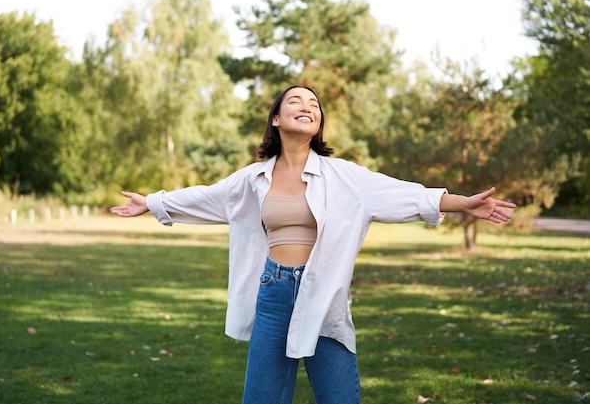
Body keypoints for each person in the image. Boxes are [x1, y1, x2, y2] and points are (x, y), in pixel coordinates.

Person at [110, 84, 516, 404]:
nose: (308, 106)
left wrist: (465, 204)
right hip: (272, 294)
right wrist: (152, 202)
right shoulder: (253, 178)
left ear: (319, 123)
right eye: (296, 101)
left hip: (323, 294)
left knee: (338, 397)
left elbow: (405, 195)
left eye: (315, 104)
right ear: (276, 118)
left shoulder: (344, 177)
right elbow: (206, 197)